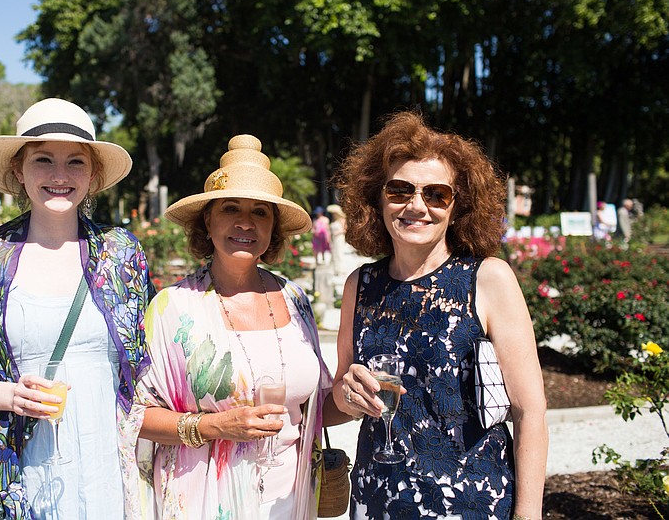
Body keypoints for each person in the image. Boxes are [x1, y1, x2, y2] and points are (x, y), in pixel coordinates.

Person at [0, 98, 153, 519]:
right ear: (19, 171)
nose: (60, 176)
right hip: (23, 468)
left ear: (94, 175)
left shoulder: (121, 255)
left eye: (75, 162)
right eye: (43, 160)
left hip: (112, 467)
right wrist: (12, 396)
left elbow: (150, 363)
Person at [331, 111, 547, 519]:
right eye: (399, 190)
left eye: (436, 194)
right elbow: (340, 401)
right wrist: (349, 394)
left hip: (470, 500)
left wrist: (528, 514)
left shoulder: (488, 278)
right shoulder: (359, 285)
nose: (417, 205)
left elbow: (529, 411)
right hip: (378, 498)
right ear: (376, 198)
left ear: (457, 205)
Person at [136, 134, 347, 519]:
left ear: (273, 226)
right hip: (204, 501)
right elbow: (135, 417)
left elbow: (315, 408)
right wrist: (216, 426)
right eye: (230, 207)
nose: (245, 222)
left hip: (291, 500)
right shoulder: (172, 309)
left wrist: (353, 400)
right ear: (208, 219)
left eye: (260, 212)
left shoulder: (295, 299)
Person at [326, 204, 347, 276]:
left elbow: (345, 230)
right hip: (334, 238)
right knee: (334, 253)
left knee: (339, 253)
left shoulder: (342, 220)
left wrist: (337, 233)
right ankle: (336, 269)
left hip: (339, 238)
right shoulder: (333, 220)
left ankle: (341, 270)